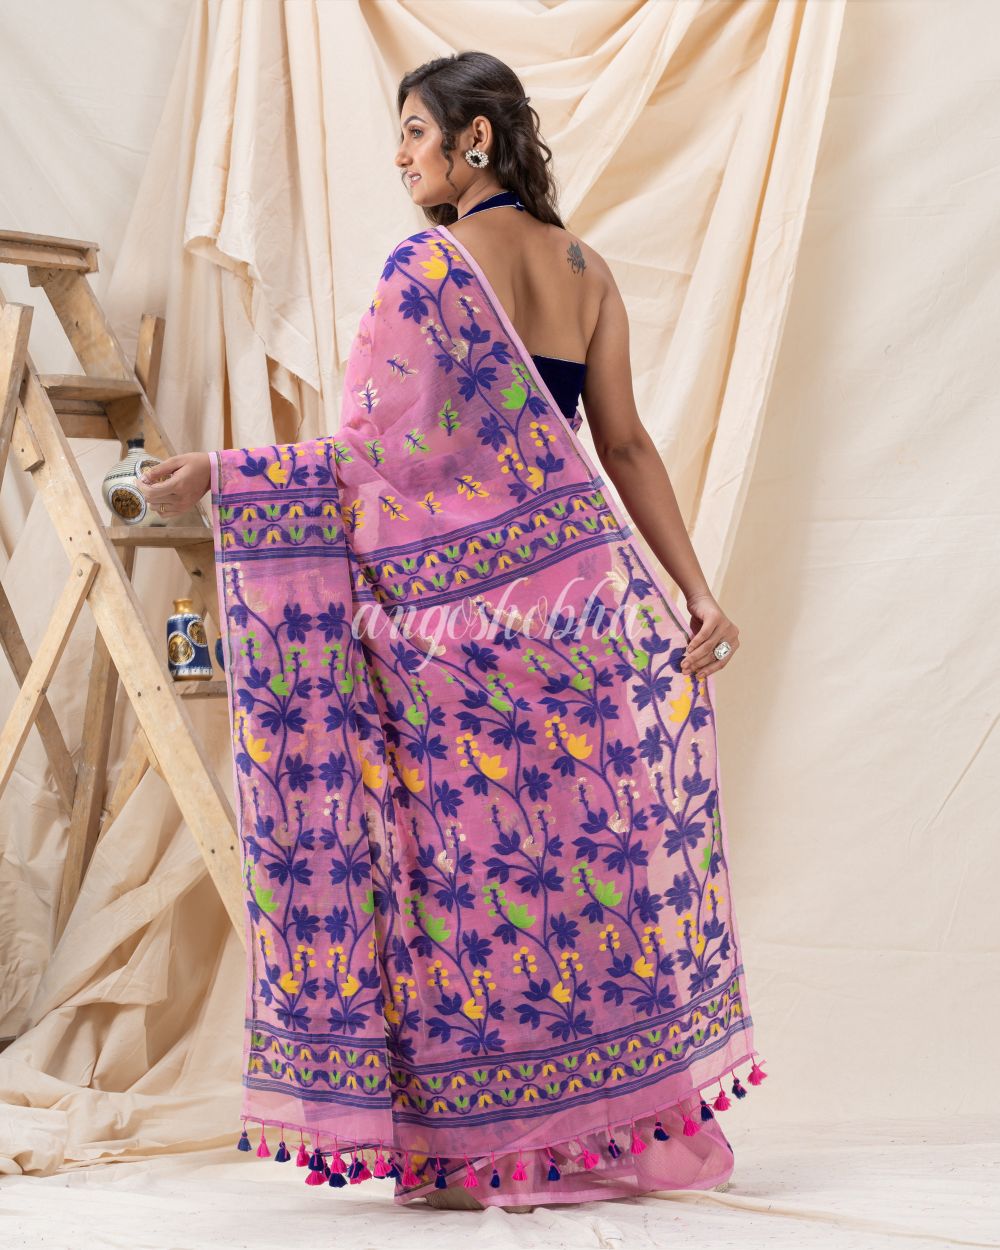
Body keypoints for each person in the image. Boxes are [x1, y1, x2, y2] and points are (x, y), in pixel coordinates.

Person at [137, 51, 762, 1214]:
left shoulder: (425, 268)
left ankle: (485, 1144)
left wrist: (223, 472)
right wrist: (696, 592)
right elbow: (624, 444)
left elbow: (379, 456)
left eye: (417, 131)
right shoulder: (584, 269)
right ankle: (583, 1127)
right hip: (571, 612)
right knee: (572, 863)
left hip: (452, 628)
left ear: (475, 139)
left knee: (466, 871)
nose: (401, 155)